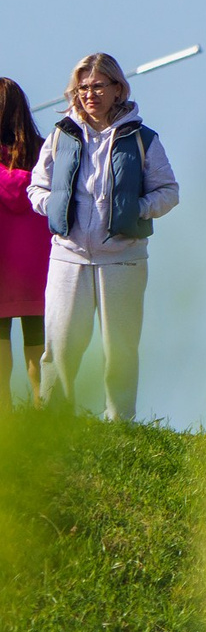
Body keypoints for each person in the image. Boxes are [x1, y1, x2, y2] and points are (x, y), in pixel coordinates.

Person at [27, 53, 179, 421]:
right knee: (60, 343)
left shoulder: (142, 138)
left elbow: (169, 192)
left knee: (120, 348)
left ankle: (120, 421)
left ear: (117, 89)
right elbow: (36, 187)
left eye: (97, 86)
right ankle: (54, 416)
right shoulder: (60, 135)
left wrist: (135, 211)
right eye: (82, 88)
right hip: (68, 255)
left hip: (123, 257)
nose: (89, 94)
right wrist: (55, 207)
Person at [0, 79, 50, 402]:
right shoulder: (46, 152)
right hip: (39, 264)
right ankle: (42, 409)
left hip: (2, 263)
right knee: (37, 343)